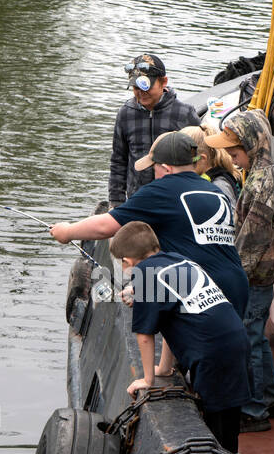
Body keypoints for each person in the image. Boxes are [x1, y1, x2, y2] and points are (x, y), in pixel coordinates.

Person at [52, 130, 249, 318]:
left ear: (166, 167)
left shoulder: (162, 190)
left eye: (153, 166)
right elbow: (187, 244)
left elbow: (106, 226)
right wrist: (140, 288)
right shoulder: (213, 190)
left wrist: (67, 231)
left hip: (200, 290)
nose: (152, 173)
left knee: (198, 347)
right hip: (236, 286)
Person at [112, 221, 250, 454]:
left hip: (211, 354)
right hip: (236, 341)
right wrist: (164, 369)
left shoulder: (144, 273)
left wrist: (148, 380)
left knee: (217, 428)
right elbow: (170, 317)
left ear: (127, 261)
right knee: (229, 418)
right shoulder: (179, 259)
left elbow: (144, 335)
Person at [205, 110, 274, 432]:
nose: (231, 157)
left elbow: (252, 242)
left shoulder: (262, 182)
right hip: (261, 277)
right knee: (257, 337)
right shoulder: (266, 173)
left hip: (253, 279)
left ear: (251, 145)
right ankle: (272, 397)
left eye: (235, 151)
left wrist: (230, 279)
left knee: (248, 341)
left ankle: (254, 411)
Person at [109, 54, 201, 205]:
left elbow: (200, 157)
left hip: (176, 199)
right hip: (138, 199)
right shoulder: (125, 114)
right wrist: (116, 201)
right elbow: (119, 160)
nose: (141, 92)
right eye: (136, 87)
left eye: (146, 87)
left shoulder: (185, 113)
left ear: (163, 82)